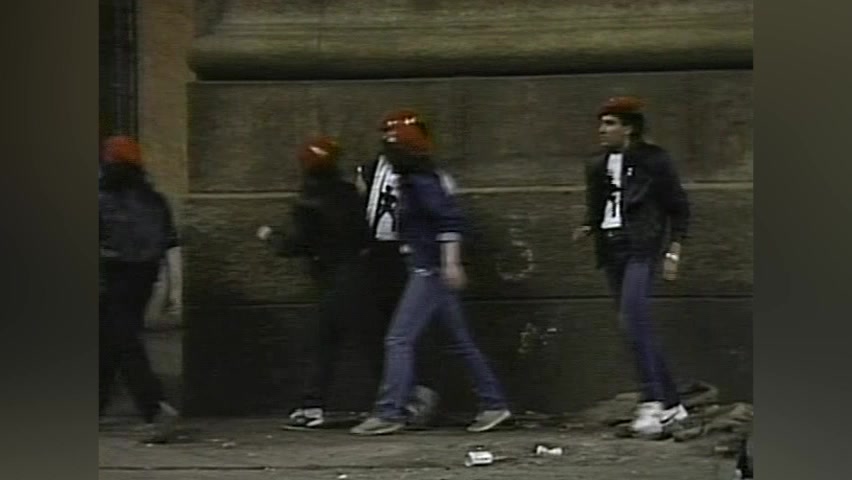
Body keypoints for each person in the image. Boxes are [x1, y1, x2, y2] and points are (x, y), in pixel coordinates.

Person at [350, 121, 512, 436]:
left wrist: (451, 263)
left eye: (393, 148)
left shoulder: (421, 182)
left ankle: (390, 411)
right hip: (430, 268)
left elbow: (449, 221)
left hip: (428, 269)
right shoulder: (418, 179)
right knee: (461, 341)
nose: (388, 155)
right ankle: (494, 403)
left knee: (399, 339)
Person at [257, 136, 424, 429]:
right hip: (359, 274)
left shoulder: (307, 202)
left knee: (325, 344)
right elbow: (363, 234)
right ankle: (401, 400)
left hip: (331, 278)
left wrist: (270, 237)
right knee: (370, 342)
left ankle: (317, 405)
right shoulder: (348, 193)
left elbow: (298, 244)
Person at [573, 96, 691, 436]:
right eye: (601, 123)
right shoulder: (596, 164)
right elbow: (596, 204)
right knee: (637, 325)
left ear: (628, 128)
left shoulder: (654, 160)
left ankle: (651, 401)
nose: (602, 129)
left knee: (632, 320)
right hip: (611, 248)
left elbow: (678, 207)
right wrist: (588, 226)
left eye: (610, 123)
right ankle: (672, 404)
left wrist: (673, 252)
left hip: (642, 246)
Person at [354, 110, 445, 425]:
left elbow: (444, 217)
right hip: (379, 252)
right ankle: (395, 396)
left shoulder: (422, 173)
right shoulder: (372, 170)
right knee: (385, 329)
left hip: (412, 254)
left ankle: (412, 398)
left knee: (409, 333)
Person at [99, 136, 180, 439]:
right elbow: (168, 241)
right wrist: (169, 286)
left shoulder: (103, 195)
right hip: (143, 276)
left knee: (121, 340)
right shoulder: (153, 199)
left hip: (112, 274)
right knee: (111, 339)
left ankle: (155, 408)